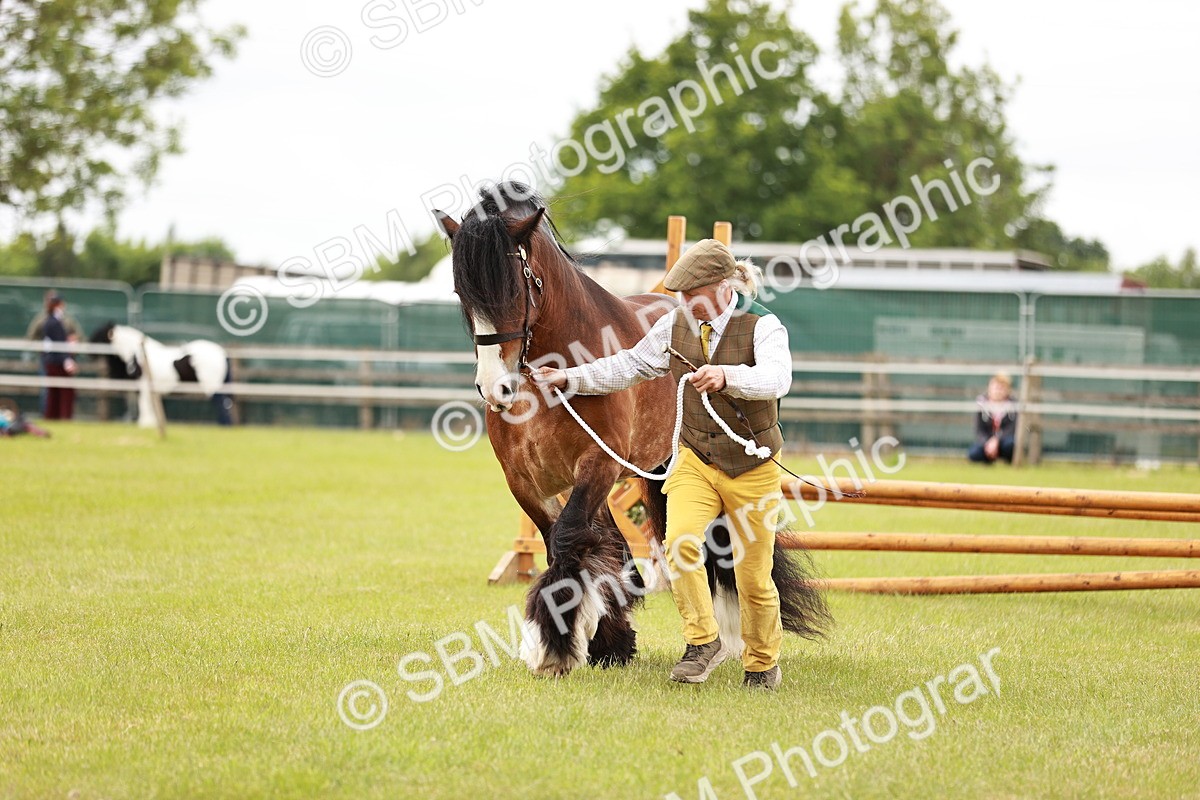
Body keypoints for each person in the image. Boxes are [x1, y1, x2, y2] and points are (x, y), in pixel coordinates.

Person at [532, 239, 792, 690]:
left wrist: (730, 376)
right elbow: (631, 364)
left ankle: (762, 662)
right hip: (694, 460)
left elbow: (778, 378)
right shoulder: (676, 324)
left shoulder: (764, 326)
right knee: (681, 547)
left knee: (754, 575)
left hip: (751, 466)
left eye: (691, 295)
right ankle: (702, 642)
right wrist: (570, 377)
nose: (683, 304)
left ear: (720, 287)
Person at [27, 290, 81, 416]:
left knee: (59, 390)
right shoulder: (44, 320)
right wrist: (43, 350)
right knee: (49, 391)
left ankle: (57, 416)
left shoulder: (66, 320)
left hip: (63, 358)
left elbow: (77, 335)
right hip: (51, 358)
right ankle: (51, 415)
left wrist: (73, 342)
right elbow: (32, 337)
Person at [41, 296, 78, 420]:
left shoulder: (51, 321)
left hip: (54, 360)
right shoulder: (54, 322)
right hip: (57, 361)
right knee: (64, 392)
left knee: (54, 392)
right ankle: (63, 416)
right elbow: (58, 343)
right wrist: (67, 360)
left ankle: (53, 416)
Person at [969, 372, 1018, 464]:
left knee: (1010, 444)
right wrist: (988, 443)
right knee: (974, 453)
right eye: (996, 387)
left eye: (1002, 388)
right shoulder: (981, 405)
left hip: (1004, 442)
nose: (998, 391)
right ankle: (989, 459)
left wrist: (997, 440)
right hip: (987, 442)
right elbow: (978, 430)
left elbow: (1012, 428)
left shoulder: (1013, 405)